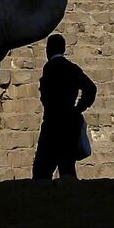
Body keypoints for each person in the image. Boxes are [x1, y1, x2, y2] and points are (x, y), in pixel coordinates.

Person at [32, 33, 98, 180]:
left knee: (41, 171)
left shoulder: (49, 68)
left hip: (52, 123)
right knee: (67, 167)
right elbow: (91, 88)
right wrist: (78, 109)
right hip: (70, 124)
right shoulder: (72, 68)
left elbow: (46, 96)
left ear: (48, 50)